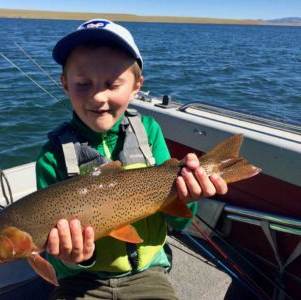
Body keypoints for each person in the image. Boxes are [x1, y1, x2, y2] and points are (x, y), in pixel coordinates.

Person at [35, 19, 228, 299]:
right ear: (64, 83)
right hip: (81, 279)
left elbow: (177, 223)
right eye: (83, 83)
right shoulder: (51, 157)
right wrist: (74, 258)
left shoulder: (149, 132)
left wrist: (189, 199)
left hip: (147, 274)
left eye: (112, 84)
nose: (98, 96)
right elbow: (55, 255)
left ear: (137, 86)